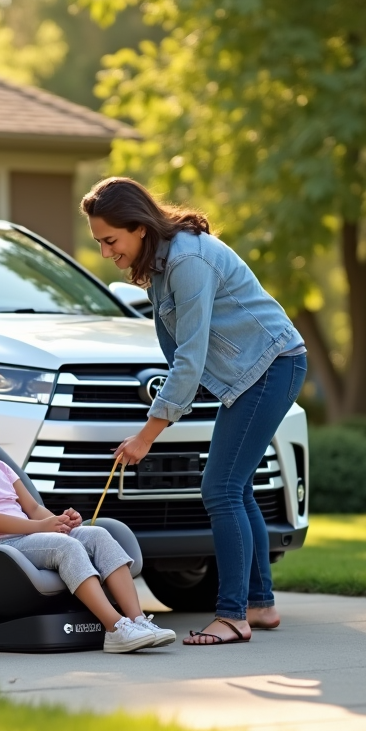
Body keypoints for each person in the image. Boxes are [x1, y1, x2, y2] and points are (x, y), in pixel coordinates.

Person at [80, 177, 308, 647]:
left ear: (139, 227)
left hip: (270, 366)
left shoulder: (186, 259)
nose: (105, 252)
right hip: (255, 371)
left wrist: (148, 434)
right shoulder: (163, 260)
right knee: (236, 486)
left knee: (220, 489)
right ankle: (259, 605)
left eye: (110, 240)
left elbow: (190, 355)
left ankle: (232, 616)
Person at [0, 389, 176, 653]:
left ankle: (137, 621)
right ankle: (115, 628)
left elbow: (33, 508)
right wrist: (40, 528)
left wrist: (61, 522)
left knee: (97, 534)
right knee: (64, 547)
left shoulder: (0, 467)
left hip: (29, 539)